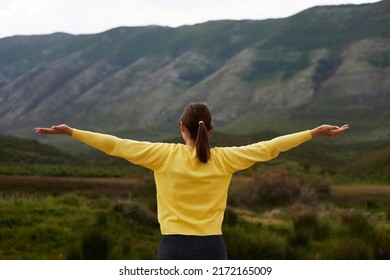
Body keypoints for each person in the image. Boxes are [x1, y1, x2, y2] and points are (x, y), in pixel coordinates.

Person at [35, 102, 349, 260]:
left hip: (173, 247)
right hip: (215, 247)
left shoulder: (163, 155)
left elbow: (115, 144)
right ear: (209, 129)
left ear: (181, 127)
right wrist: (314, 132)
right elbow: (271, 146)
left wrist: (71, 132)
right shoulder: (226, 158)